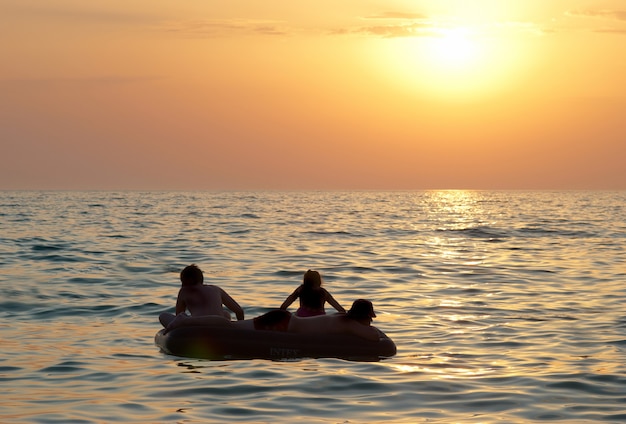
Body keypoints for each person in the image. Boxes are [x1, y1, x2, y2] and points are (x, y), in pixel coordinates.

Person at [163, 299, 380, 341]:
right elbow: (373, 337)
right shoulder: (350, 324)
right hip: (283, 324)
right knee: (231, 326)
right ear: (363, 317)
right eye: (369, 318)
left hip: (285, 320)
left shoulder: (343, 319)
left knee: (233, 325)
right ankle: (185, 321)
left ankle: (187, 321)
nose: (370, 322)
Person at [159, 264, 244, 327]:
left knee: (163, 316)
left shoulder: (184, 291)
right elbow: (239, 311)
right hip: (219, 324)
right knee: (226, 314)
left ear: (183, 281)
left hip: (199, 327)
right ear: (201, 279)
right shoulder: (216, 289)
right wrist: (240, 329)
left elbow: (179, 316)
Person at [280, 270, 346, 317]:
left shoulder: (301, 289)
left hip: (302, 316)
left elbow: (284, 307)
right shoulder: (323, 292)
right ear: (319, 281)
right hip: (319, 318)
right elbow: (341, 310)